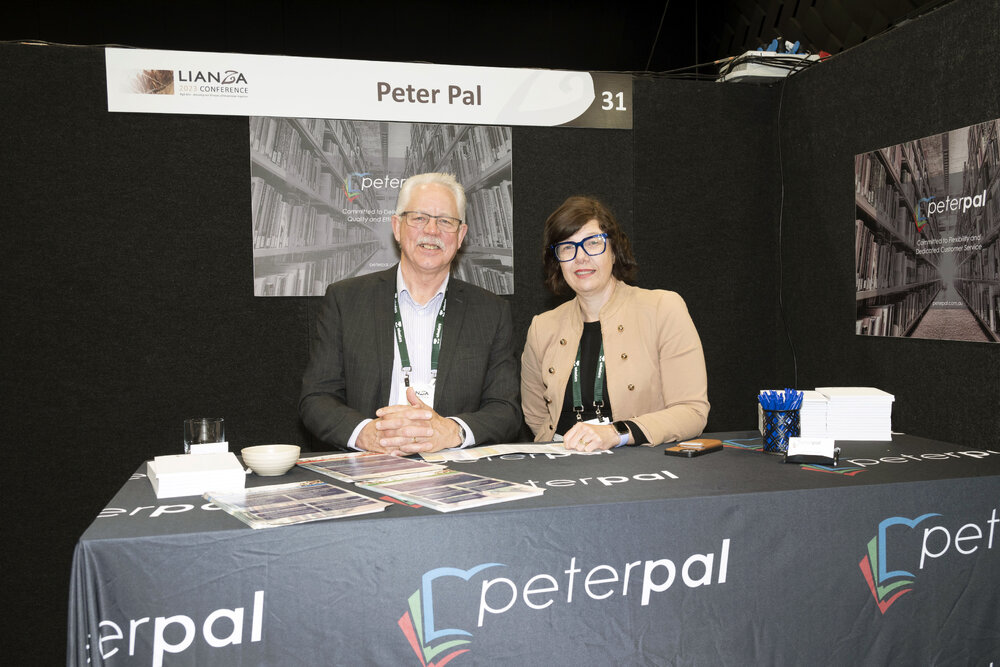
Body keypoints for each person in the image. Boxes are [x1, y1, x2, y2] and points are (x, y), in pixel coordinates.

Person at [300, 172, 521, 454]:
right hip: (370, 463)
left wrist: (453, 431)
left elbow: (506, 409)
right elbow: (316, 398)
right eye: (419, 218)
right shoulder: (345, 300)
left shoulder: (491, 312)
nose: (432, 230)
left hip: (453, 467)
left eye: (446, 221)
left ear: (461, 235)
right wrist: (366, 434)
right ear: (397, 227)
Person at [521, 196, 709, 451]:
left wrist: (617, 433)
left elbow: (692, 412)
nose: (580, 257)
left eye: (593, 243)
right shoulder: (541, 328)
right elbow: (535, 416)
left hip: (636, 460)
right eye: (567, 247)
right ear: (557, 261)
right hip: (560, 460)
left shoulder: (663, 309)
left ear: (614, 249)